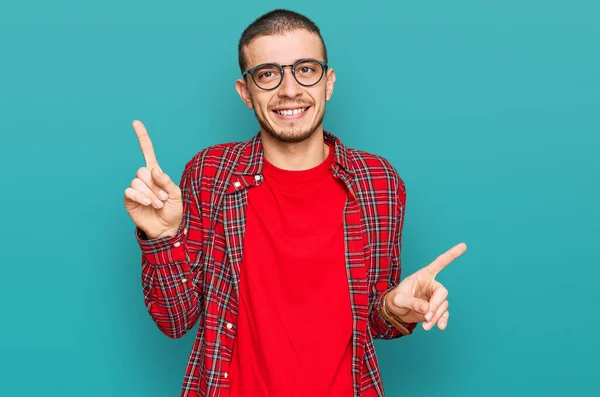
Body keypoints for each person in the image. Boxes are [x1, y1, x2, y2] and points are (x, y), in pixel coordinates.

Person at [124, 8, 466, 397]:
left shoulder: (379, 183)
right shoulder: (210, 174)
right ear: (245, 93)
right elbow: (174, 320)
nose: (289, 90)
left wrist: (396, 307)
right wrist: (164, 237)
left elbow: (376, 321)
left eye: (305, 69)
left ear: (329, 82)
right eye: (268, 74)